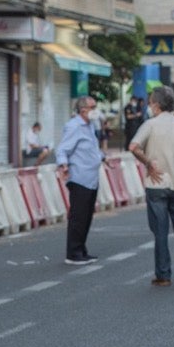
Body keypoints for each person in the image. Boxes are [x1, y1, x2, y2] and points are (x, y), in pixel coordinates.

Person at [128, 86, 174, 287]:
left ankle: (163, 274)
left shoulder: (150, 125)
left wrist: (148, 162)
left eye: (150, 103)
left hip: (156, 184)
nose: (149, 106)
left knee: (160, 231)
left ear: (156, 105)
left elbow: (133, 147)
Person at [56, 95, 103, 264]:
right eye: (93, 107)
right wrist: (63, 165)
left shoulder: (89, 126)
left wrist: (102, 157)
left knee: (87, 216)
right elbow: (62, 150)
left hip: (91, 178)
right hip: (79, 178)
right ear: (83, 110)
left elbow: (90, 148)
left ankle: (82, 250)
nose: (95, 110)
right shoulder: (74, 126)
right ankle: (73, 253)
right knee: (78, 216)